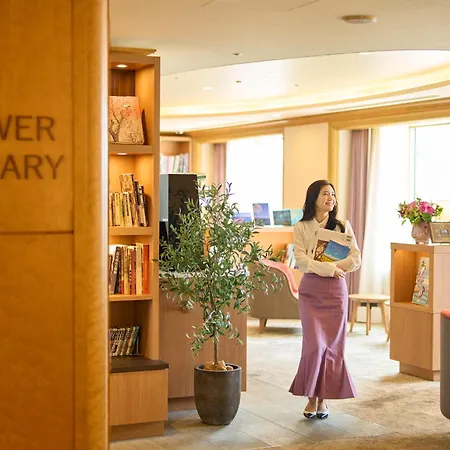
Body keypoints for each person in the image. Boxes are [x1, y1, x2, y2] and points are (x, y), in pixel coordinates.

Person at [289, 179, 361, 420]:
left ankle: (323, 400)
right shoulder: (301, 227)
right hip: (311, 291)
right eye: (325, 194)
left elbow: (356, 258)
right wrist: (330, 269)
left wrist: (337, 268)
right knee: (314, 345)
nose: (330, 198)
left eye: (333, 194)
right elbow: (302, 261)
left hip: (336, 292)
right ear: (314, 198)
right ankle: (311, 397)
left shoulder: (342, 226)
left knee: (333, 347)